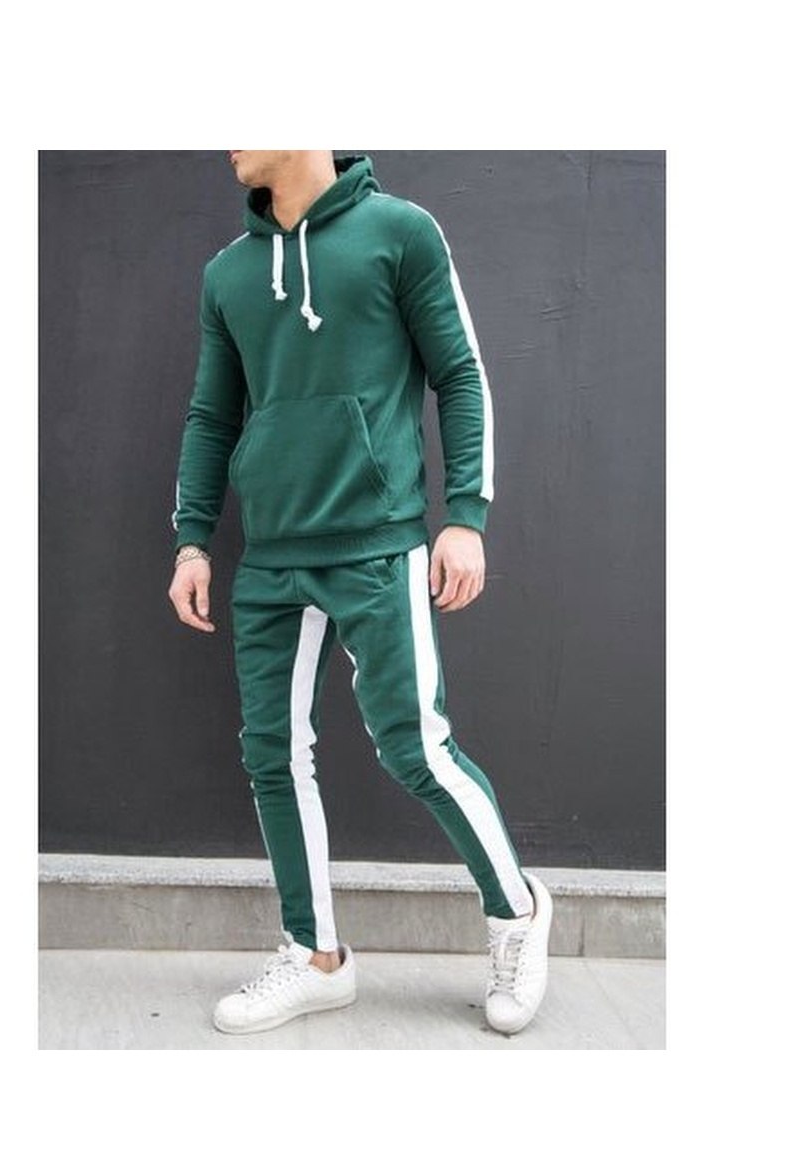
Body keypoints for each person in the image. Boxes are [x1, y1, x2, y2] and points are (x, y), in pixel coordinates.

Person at [168, 150, 553, 1036]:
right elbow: (212, 414)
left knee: (416, 748)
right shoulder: (228, 273)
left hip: (377, 543)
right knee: (272, 755)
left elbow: (460, 373)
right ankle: (316, 957)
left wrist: (466, 514)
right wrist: (192, 539)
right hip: (271, 554)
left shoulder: (400, 233)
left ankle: (519, 912)